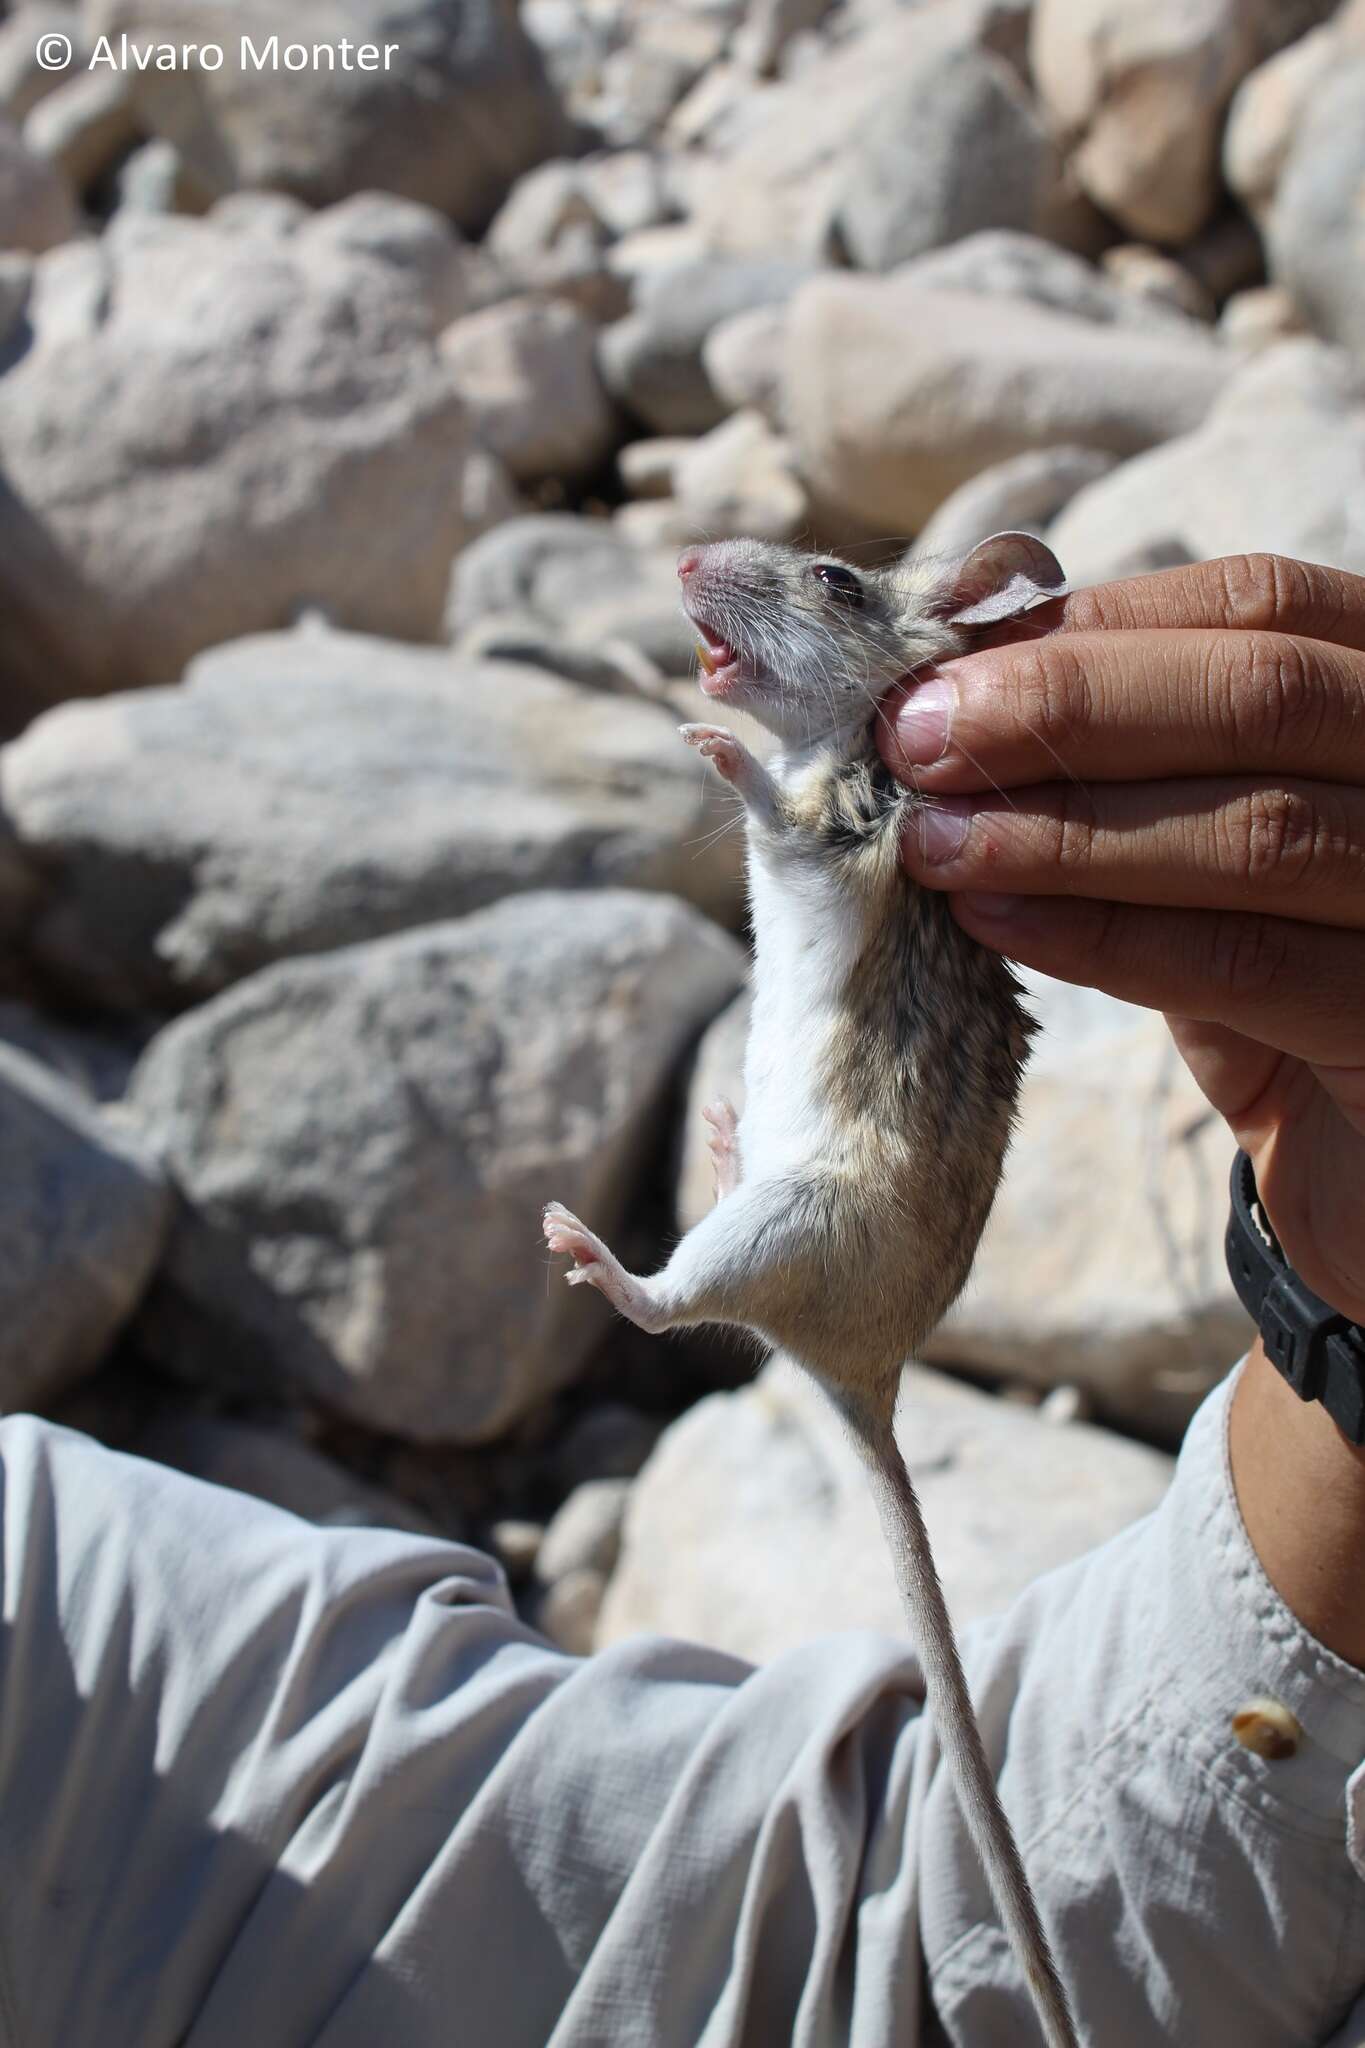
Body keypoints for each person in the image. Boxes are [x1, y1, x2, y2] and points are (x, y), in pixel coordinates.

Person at [1, 552, 1362, 2047]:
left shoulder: (75, 1653)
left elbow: (869, 1949)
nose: (698, 578)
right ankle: (664, 1292)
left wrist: (1340, 1322)